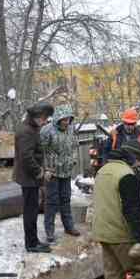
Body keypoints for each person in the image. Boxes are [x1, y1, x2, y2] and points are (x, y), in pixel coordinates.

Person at [91, 140, 140, 279]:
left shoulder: (103, 170)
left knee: (114, 271)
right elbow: (131, 209)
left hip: (102, 231)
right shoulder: (127, 176)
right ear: (133, 158)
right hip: (120, 234)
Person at [13, 102, 54, 253]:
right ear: (36, 116)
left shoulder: (31, 128)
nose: (45, 122)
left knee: (33, 210)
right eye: (44, 118)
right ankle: (31, 244)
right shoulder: (26, 131)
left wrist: (42, 168)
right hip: (28, 178)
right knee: (30, 212)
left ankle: (33, 240)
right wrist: (39, 172)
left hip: (30, 177)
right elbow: (26, 157)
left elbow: (33, 155)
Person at [40, 104, 81, 243]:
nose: (66, 122)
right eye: (64, 119)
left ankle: (69, 226)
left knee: (66, 199)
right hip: (52, 172)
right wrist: (46, 169)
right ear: (57, 119)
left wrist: (74, 159)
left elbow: (75, 146)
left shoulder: (71, 130)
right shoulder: (47, 131)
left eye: (68, 119)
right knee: (51, 201)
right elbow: (40, 152)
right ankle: (49, 230)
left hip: (66, 171)